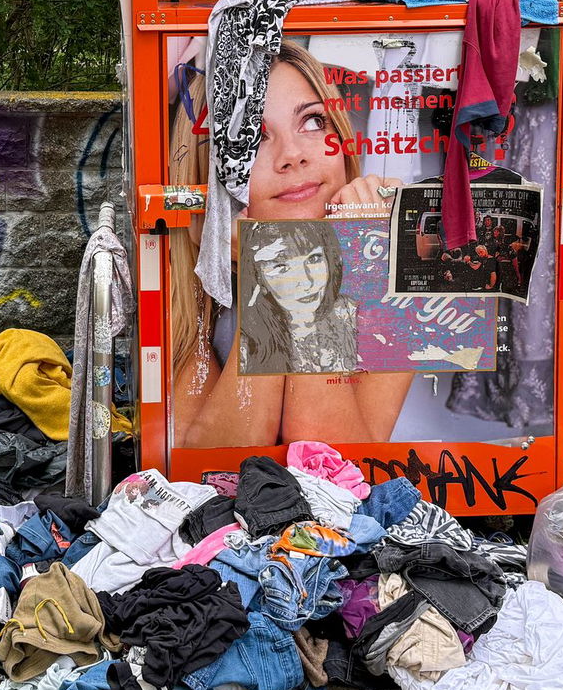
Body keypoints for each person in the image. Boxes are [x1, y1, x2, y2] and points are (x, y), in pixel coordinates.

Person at [167, 42, 412, 448]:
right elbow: (211, 464)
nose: (292, 156)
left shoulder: (390, 254)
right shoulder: (185, 272)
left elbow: (341, 462)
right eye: (253, 138)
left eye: (314, 122)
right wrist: (264, 268)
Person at [238, 220, 358, 375]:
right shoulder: (247, 345)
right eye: (281, 267)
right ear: (259, 279)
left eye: (314, 259)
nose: (307, 282)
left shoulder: (350, 314)